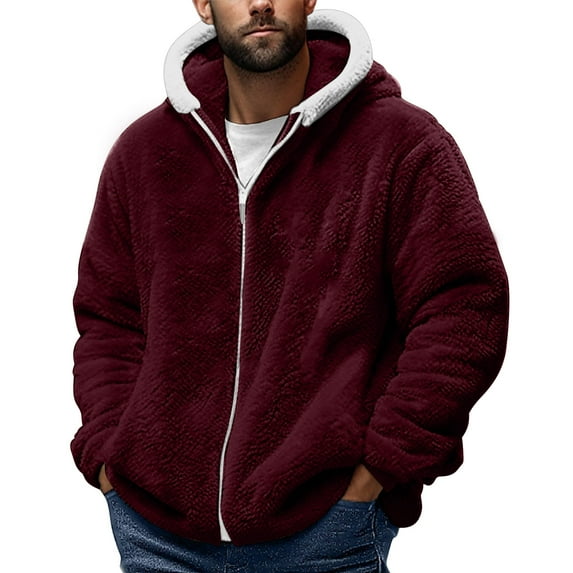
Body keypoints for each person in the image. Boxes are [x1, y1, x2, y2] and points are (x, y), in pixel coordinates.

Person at [71, 0, 510, 571]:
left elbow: (464, 305)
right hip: (158, 534)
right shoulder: (144, 153)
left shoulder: (399, 142)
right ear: (203, 4)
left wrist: (383, 465)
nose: (259, 3)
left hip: (323, 532)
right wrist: (108, 454)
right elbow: (108, 318)